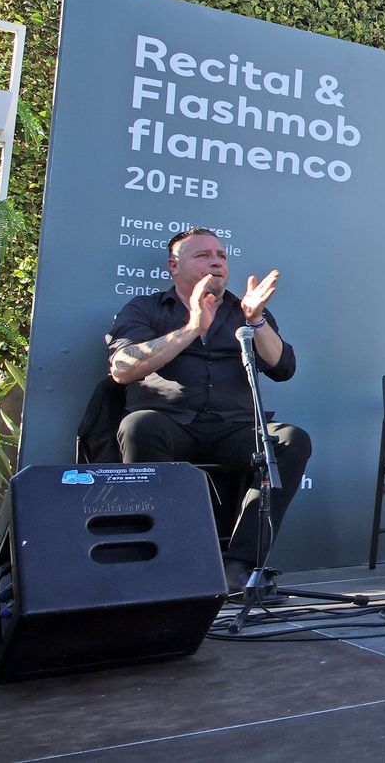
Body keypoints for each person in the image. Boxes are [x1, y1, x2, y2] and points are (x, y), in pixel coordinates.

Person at [107, 227, 311, 595]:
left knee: (290, 439)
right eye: (203, 255)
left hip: (233, 428)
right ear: (174, 265)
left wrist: (256, 322)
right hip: (168, 423)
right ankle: (163, 562)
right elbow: (122, 368)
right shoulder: (146, 308)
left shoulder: (242, 310)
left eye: (221, 255)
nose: (216, 262)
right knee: (140, 426)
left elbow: (283, 368)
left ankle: (241, 566)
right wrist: (191, 327)